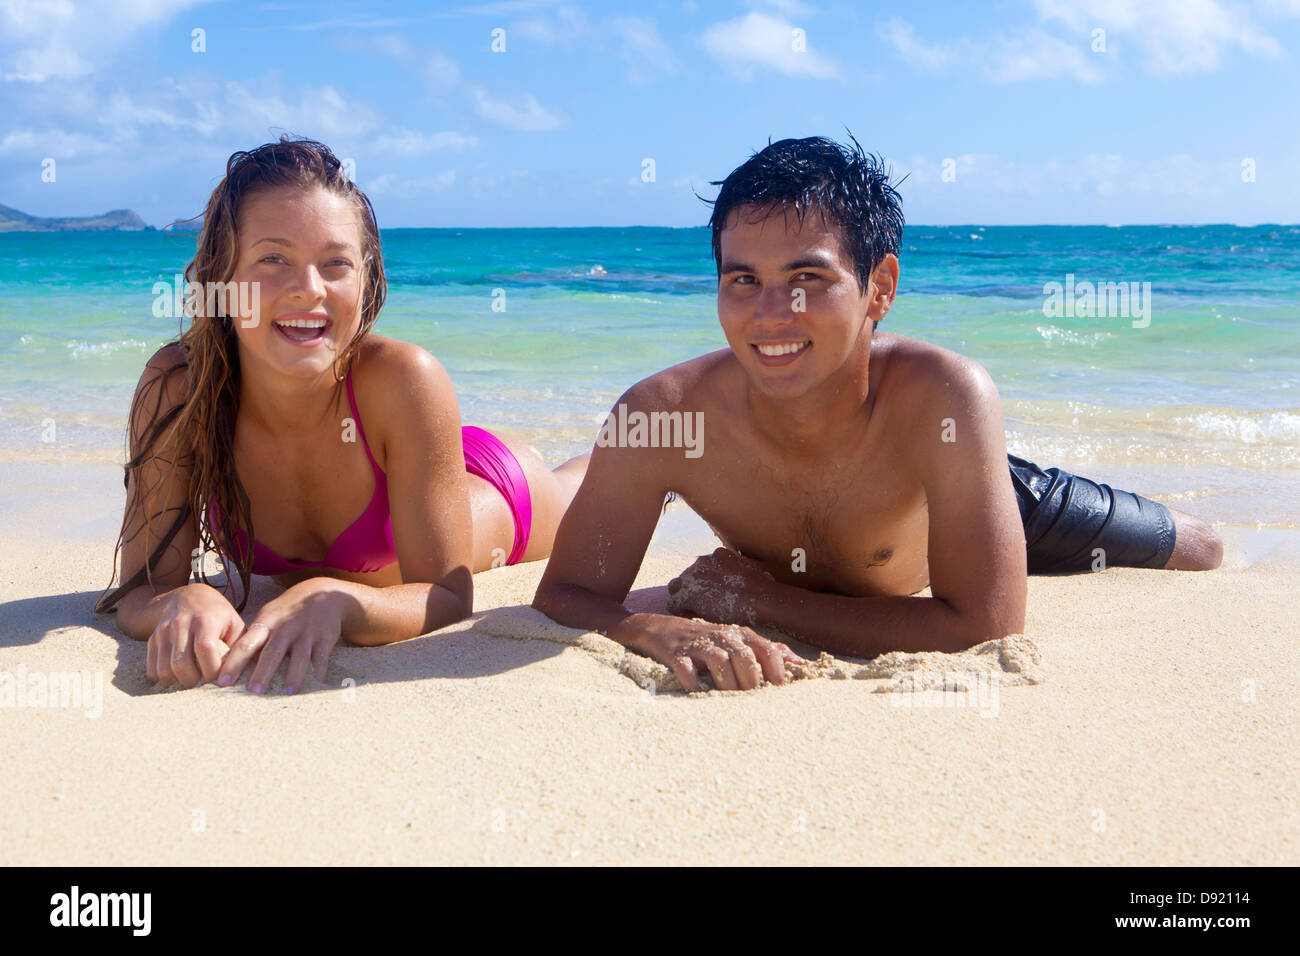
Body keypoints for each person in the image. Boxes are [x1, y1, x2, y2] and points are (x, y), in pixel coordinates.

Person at [532, 135, 1222, 693]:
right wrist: (653, 629)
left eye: (808, 279)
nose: (773, 314)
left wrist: (761, 602)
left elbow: (985, 627)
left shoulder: (946, 396)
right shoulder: (661, 416)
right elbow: (566, 592)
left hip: (961, 492)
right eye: (744, 280)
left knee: (1198, 549)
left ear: (879, 288)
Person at [97, 137, 587, 694]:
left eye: (336, 263)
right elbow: (140, 590)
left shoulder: (406, 377)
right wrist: (185, 598)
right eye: (273, 259)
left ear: (365, 277)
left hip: (497, 486)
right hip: (413, 460)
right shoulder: (181, 388)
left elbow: (448, 596)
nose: (309, 290)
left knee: (583, 484)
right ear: (222, 277)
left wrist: (341, 601)